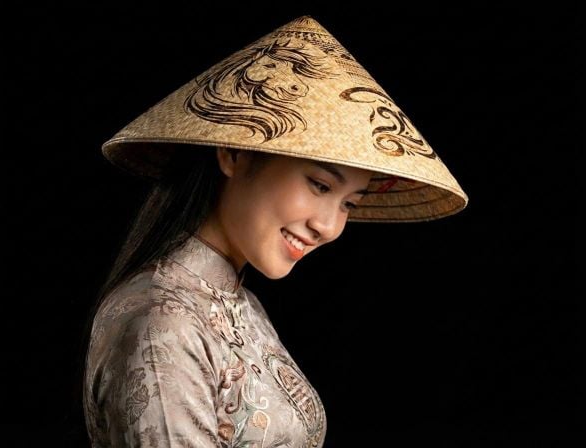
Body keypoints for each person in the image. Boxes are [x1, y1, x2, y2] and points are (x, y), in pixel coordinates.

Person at [82, 15, 468, 447]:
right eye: (319, 185)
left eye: (349, 203)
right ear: (234, 154)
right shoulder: (163, 323)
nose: (328, 226)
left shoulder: (242, 304)